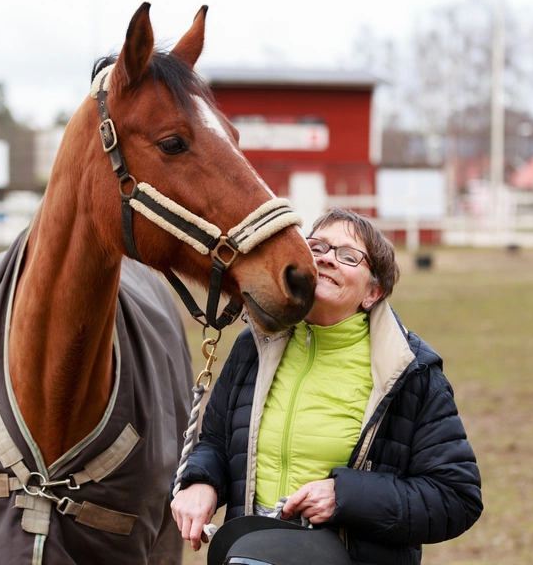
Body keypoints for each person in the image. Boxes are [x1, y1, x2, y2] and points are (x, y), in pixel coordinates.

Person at [172, 208, 483, 564]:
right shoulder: (253, 347)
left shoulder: (410, 372)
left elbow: (455, 497)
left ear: (373, 292)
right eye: (316, 247)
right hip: (250, 552)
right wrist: (201, 481)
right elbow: (215, 442)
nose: (327, 259)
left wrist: (344, 497)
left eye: (348, 256)